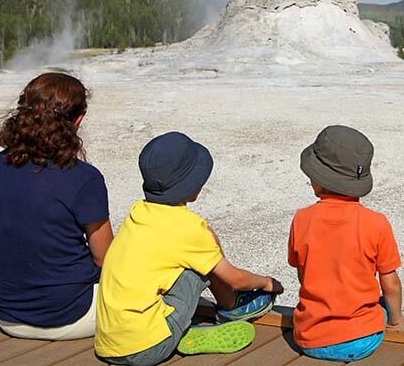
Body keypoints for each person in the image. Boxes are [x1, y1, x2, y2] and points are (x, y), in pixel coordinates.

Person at [94, 131, 284, 366]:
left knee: (192, 256)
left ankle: (180, 327)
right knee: (201, 263)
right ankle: (229, 309)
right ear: (193, 185)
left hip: (107, 343)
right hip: (146, 348)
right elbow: (234, 278)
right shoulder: (188, 228)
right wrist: (267, 283)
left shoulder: (137, 213)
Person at [0, 72, 113, 341]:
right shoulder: (84, 177)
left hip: (7, 314)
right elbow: (105, 258)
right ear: (78, 120)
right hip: (72, 315)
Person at [288, 125, 404, 362]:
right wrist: (396, 320)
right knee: (380, 305)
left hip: (309, 338)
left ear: (316, 180)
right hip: (362, 339)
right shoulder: (376, 222)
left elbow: (304, 274)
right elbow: (390, 283)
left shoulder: (301, 219)